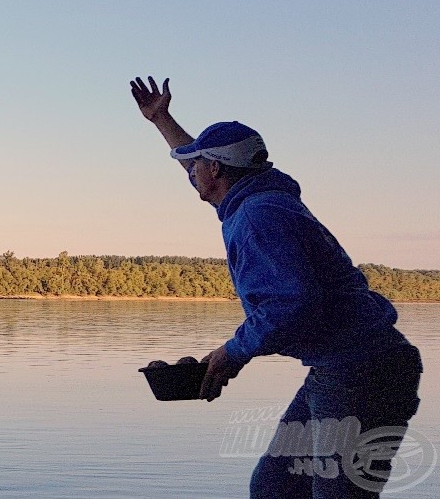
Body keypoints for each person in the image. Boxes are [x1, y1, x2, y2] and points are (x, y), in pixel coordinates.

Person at [130, 76, 423, 498]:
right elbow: (202, 164)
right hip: (342, 368)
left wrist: (233, 352)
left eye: (197, 166)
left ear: (216, 170)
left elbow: (293, 305)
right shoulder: (260, 195)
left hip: (361, 373)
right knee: (275, 488)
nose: (190, 173)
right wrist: (162, 120)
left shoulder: (257, 215)